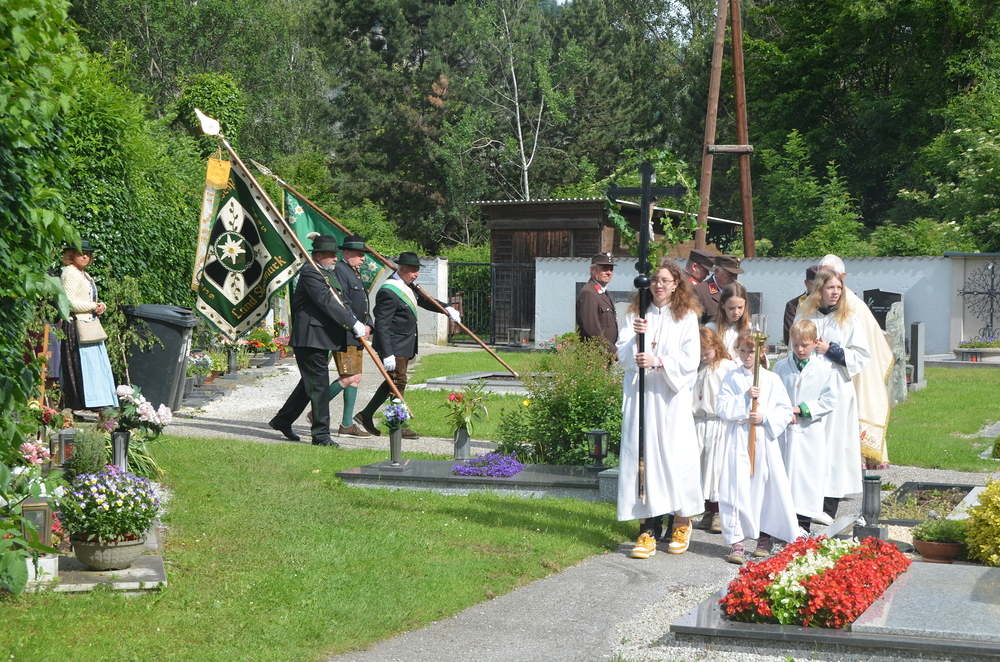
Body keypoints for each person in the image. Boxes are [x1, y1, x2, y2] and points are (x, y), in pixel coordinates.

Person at [616, 258, 703, 559]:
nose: (659, 285)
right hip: (642, 397)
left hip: (670, 397)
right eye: (655, 280)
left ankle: (681, 521)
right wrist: (636, 338)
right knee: (643, 459)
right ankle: (647, 530)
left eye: (665, 280)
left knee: (675, 458)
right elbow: (623, 356)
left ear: (677, 284)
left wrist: (659, 361)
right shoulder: (636, 315)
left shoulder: (686, 316)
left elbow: (691, 359)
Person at [269, 235, 369, 447]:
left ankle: (282, 420)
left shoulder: (327, 274)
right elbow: (326, 302)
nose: (335, 258)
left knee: (309, 385)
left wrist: (355, 322)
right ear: (318, 255)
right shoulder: (310, 272)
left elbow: (342, 301)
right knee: (319, 387)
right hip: (310, 338)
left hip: (322, 339)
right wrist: (352, 323)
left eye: (335, 255)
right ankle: (321, 435)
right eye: (331, 255)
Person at [355, 252, 460, 439]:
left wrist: (447, 308)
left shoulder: (407, 286)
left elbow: (425, 301)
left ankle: (366, 415)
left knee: (392, 381)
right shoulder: (389, 291)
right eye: (413, 270)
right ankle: (400, 425)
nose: (416, 274)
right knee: (398, 382)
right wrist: (387, 353)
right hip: (394, 345)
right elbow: (383, 325)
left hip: (403, 344)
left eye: (417, 270)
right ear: (402, 269)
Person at [716, 330, 800, 564]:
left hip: (763, 439)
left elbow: (784, 410)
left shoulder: (771, 379)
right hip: (738, 438)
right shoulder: (731, 378)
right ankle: (737, 541)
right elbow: (722, 407)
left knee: (764, 486)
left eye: (751, 351)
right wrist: (744, 399)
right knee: (736, 486)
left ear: (762, 352)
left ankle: (764, 536)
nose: (746, 356)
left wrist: (763, 417)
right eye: (742, 351)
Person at [794, 268, 870, 521]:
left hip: (837, 388)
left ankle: (828, 506)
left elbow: (862, 356)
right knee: (810, 445)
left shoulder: (849, 319)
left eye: (839, 287)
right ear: (819, 289)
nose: (835, 292)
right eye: (830, 287)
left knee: (834, 446)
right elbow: (794, 347)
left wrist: (831, 350)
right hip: (809, 388)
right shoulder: (805, 315)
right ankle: (806, 503)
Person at [818, 254, 895, 469]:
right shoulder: (812, 305)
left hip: (851, 374)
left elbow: (864, 349)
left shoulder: (853, 306)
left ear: (843, 277)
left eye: (831, 275)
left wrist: (833, 351)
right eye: (821, 274)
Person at [772, 320, 840, 530]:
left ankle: (803, 523)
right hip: (784, 429)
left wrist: (801, 409)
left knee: (805, 477)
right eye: (796, 345)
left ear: (815, 343)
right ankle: (783, 522)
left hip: (809, 430)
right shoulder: (780, 367)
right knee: (784, 474)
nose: (800, 350)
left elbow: (829, 400)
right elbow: (773, 394)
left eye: (805, 345)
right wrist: (784, 411)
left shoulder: (824, 369)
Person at [59, 238, 118, 410]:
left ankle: (96, 401)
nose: (85, 257)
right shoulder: (70, 273)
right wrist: (93, 306)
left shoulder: (83, 274)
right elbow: (69, 302)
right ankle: (84, 403)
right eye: (81, 254)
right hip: (77, 325)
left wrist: (100, 306)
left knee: (93, 364)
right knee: (82, 365)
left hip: (88, 323)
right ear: (71, 255)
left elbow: (88, 297)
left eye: (87, 254)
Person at [326, 235, 374, 438]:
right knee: (349, 377)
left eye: (363, 255)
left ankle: (346, 424)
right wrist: (356, 325)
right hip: (346, 333)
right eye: (359, 254)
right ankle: (317, 409)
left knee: (356, 378)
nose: (363, 258)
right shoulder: (340, 271)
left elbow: (363, 303)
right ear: (346, 253)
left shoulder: (354, 273)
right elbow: (342, 303)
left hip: (357, 334)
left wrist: (369, 325)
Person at [693, 326, 737, 534]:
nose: (703, 357)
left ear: (717, 347)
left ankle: (719, 512)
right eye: (699, 353)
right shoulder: (695, 366)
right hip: (698, 421)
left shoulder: (727, 366)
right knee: (702, 468)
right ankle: (707, 511)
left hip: (719, 423)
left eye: (707, 353)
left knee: (717, 468)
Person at [575, 252, 618, 358]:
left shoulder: (604, 292)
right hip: (595, 356)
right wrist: (612, 351)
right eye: (604, 269)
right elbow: (592, 329)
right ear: (593, 269)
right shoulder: (589, 292)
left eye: (611, 269)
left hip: (605, 355)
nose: (609, 273)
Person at [705, 282, 750, 359]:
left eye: (740, 307)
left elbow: (757, 357)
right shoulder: (711, 328)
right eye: (731, 308)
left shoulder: (750, 328)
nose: (736, 312)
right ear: (722, 305)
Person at [694, 254, 744, 323]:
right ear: (717, 272)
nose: (734, 279)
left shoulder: (738, 290)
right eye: (730, 275)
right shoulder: (700, 291)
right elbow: (695, 325)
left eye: (736, 275)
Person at [782, 265, 818, 346]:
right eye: (814, 284)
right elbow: (789, 337)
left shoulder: (828, 304)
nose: (817, 288)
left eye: (820, 285)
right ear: (806, 283)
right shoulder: (793, 305)